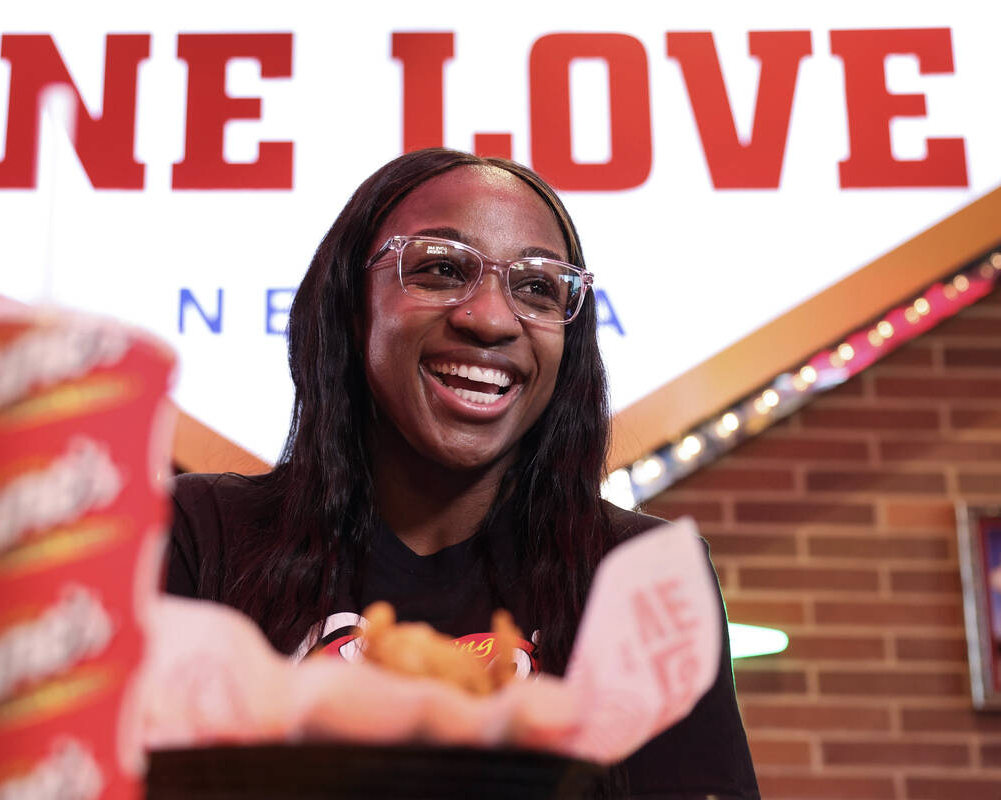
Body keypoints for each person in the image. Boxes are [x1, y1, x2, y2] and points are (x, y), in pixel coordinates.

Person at [165, 148, 759, 797]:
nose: (491, 318)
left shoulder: (637, 576)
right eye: (442, 269)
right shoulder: (199, 535)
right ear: (349, 305)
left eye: (537, 286)